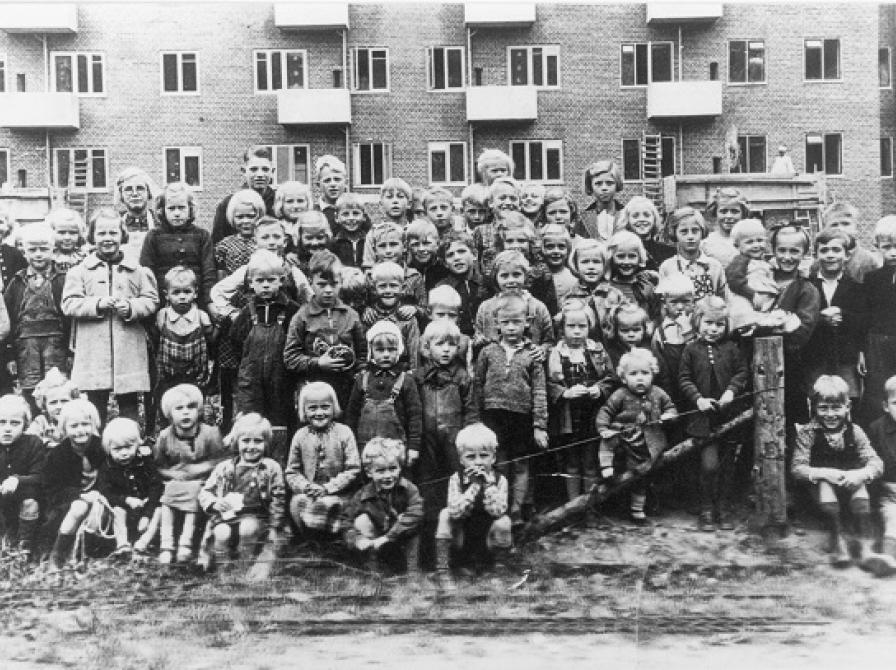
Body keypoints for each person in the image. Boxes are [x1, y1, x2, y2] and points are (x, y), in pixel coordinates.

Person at [62, 208, 159, 425]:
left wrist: (131, 308)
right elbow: (69, 303)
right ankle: (96, 442)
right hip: (94, 350)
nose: (108, 238)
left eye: (113, 233)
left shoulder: (137, 270)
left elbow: (151, 299)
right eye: (102, 233)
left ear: (122, 235)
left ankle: (129, 440)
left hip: (128, 349)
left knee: (129, 403)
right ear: (92, 236)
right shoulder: (79, 271)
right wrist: (97, 304)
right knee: (95, 404)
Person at [792, 376, 883, 567]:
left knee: (860, 482)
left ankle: (864, 544)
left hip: (848, 490)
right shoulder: (808, 433)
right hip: (820, 496)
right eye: (823, 408)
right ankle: (837, 538)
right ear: (813, 407)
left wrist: (860, 474)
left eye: (836, 408)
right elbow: (797, 468)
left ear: (847, 407)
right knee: (825, 483)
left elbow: (876, 463)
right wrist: (824, 473)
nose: (830, 414)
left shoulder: (855, 431)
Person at [475, 293, 549, 525]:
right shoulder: (488, 352)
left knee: (521, 463)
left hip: (521, 417)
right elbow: (477, 384)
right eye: (505, 322)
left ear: (527, 322)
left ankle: (517, 509)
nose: (510, 327)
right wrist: (475, 419)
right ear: (497, 323)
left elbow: (539, 391)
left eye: (516, 322)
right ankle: (501, 508)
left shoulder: (532, 355)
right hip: (493, 416)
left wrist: (539, 426)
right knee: (499, 462)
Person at [678, 296, 749, 531]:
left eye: (719, 324)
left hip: (728, 416)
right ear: (697, 322)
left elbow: (742, 373)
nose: (713, 329)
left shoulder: (732, 348)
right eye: (708, 323)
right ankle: (706, 508)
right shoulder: (690, 350)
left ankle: (723, 508)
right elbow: (684, 378)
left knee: (728, 466)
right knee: (709, 465)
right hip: (703, 418)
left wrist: (730, 392)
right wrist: (698, 399)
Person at [413, 319, 475, 563]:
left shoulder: (462, 377)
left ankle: (459, 547)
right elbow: (412, 410)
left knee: (456, 484)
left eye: (452, 345)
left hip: (454, 441)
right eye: (440, 344)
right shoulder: (418, 377)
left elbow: (471, 411)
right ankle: (429, 546)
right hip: (426, 440)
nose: (447, 350)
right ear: (427, 347)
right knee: (428, 485)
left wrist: (468, 439)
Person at [547, 299, 617, 504]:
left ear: (589, 326)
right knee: (571, 462)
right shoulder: (555, 353)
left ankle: (589, 507)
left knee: (590, 461)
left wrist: (599, 389)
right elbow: (546, 384)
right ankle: (573, 506)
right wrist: (565, 393)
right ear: (562, 328)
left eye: (582, 326)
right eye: (571, 326)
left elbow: (611, 378)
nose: (577, 331)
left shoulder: (597, 350)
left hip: (592, 415)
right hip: (568, 418)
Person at [597, 348, 678, 523]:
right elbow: (606, 411)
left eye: (645, 373)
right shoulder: (620, 394)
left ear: (653, 374)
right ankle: (606, 467)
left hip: (646, 441)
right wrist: (603, 428)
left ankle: (637, 510)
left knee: (641, 475)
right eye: (633, 374)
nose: (640, 378)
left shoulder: (658, 393)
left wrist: (668, 415)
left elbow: (671, 408)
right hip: (624, 435)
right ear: (624, 378)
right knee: (608, 439)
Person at [199, 413, 286, 571]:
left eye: (258, 441)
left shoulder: (271, 467)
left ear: (266, 443)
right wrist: (215, 503)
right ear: (236, 442)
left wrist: (275, 525)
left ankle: (243, 564)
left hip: (258, 519)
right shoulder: (224, 467)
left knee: (247, 527)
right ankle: (222, 568)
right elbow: (205, 491)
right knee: (221, 532)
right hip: (227, 518)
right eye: (245, 440)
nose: (251, 446)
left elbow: (278, 498)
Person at [284, 250, 366, 411]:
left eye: (334, 284)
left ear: (341, 282)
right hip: (314, 390)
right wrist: (318, 363)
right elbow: (290, 358)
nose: (328, 290)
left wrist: (360, 378)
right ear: (311, 282)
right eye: (321, 284)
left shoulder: (351, 315)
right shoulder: (301, 317)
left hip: (347, 389)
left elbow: (362, 354)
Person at [154, 384, 224, 565]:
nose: (186, 412)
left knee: (194, 492)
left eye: (191, 407)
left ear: (198, 411)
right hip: (176, 483)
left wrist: (200, 468)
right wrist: (172, 474)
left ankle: (186, 543)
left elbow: (221, 461)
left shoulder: (210, 433)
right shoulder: (165, 436)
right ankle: (167, 545)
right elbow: (158, 466)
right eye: (179, 408)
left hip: (204, 482)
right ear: (169, 414)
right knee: (167, 496)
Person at [230, 250, 300, 429]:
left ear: (281, 281)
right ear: (251, 283)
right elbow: (236, 340)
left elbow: (298, 342)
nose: (266, 285)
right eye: (260, 281)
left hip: (282, 377)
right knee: (251, 420)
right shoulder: (247, 312)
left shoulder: (292, 310)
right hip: (251, 378)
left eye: (271, 280)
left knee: (281, 421)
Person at [5, 222, 68, 416]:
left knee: (56, 387)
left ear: (53, 251)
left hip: (56, 344)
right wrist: (10, 354)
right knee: (30, 388)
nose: (38, 254)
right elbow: (9, 319)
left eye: (43, 249)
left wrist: (70, 350)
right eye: (32, 250)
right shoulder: (17, 282)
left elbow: (69, 319)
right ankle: (34, 426)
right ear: (24, 252)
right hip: (25, 346)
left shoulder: (62, 279)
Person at [435, 423, 511, 584]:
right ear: (461, 460)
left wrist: (488, 485)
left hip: (487, 538)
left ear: (493, 457)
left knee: (504, 521)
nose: (478, 462)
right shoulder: (456, 479)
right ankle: (443, 571)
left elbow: (498, 511)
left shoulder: (500, 480)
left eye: (484, 455)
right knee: (445, 514)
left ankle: (499, 570)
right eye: (470, 457)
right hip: (463, 537)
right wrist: (474, 487)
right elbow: (455, 512)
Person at [285, 382, 360, 538]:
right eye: (312, 408)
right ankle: (309, 541)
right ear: (304, 410)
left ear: (334, 407)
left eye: (325, 407)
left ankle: (332, 542)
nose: (319, 413)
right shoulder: (300, 435)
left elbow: (353, 469)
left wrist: (328, 488)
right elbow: (292, 472)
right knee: (298, 502)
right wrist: (306, 486)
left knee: (327, 505)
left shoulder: (344, 433)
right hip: (310, 492)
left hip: (338, 492)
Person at [345, 320, 422, 465]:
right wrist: (351, 446)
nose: (386, 354)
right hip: (365, 449)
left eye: (391, 349)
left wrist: (414, 447)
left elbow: (415, 417)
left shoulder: (406, 380)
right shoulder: (362, 379)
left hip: (397, 448)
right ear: (371, 351)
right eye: (380, 350)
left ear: (399, 350)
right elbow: (351, 415)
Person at [342, 436, 423, 574]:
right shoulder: (362, 495)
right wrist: (357, 539)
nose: (388, 476)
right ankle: (374, 569)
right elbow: (345, 521)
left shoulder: (409, 489)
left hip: (401, 536)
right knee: (361, 521)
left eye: (393, 468)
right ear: (369, 472)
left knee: (409, 521)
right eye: (380, 471)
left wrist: (388, 537)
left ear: (400, 467)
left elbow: (416, 512)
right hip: (377, 538)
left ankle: (412, 571)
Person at [805, 229, 867, 403]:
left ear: (846, 255)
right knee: (817, 399)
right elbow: (800, 319)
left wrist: (843, 315)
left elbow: (864, 320)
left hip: (846, 357)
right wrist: (820, 319)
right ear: (816, 255)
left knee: (847, 399)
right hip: (815, 356)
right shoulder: (807, 286)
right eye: (824, 250)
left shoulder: (857, 287)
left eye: (836, 250)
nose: (830, 255)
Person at [769, 225, 820, 427]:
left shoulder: (806, 289)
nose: (787, 257)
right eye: (782, 250)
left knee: (789, 416)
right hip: (755, 361)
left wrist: (766, 327)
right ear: (773, 250)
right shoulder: (762, 279)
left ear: (804, 253)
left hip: (790, 365)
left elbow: (802, 332)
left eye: (794, 251)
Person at [43, 398, 105, 567]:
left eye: (85, 424)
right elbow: (52, 489)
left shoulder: (102, 448)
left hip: (101, 499)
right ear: (64, 428)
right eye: (74, 426)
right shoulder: (57, 455)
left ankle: (88, 553)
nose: (80, 430)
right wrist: (81, 495)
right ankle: (57, 553)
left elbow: (111, 477)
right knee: (79, 506)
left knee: (97, 508)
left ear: (94, 425)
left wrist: (98, 494)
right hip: (67, 505)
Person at [140, 181, 216, 312]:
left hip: (196, 303)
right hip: (163, 303)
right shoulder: (154, 236)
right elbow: (147, 272)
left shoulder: (202, 236)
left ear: (190, 209)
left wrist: (209, 301)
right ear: (162, 210)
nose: (176, 213)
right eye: (171, 208)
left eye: (181, 208)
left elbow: (209, 272)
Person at [153, 267, 216, 420]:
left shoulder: (201, 316)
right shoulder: (163, 315)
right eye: (176, 292)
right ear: (166, 295)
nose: (182, 297)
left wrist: (218, 327)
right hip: (169, 374)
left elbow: (211, 339)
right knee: (168, 403)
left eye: (187, 292)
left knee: (194, 404)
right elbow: (157, 337)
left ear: (195, 293)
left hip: (194, 374)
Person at [97, 418, 163, 557]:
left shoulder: (145, 462)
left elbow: (156, 486)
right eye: (117, 449)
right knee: (118, 511)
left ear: (137, 444)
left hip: (146, 506)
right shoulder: (108, 467)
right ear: (108, 449)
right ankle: (122, 544)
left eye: (128, 447)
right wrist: (126, 500)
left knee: (159, 511)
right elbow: (105, 491)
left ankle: (143, 542)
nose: (124, 453)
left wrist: (147, 514)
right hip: (124, 507)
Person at [474, 250, 555, 357]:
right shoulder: (486, 308)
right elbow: (477, 338)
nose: (511, 280)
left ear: (526, 276)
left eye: (516, 275)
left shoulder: (538, 307)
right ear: (495, 277)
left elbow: (549, 341)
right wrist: (479, 341)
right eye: (504, 276)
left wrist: (542, 349)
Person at [861, 216, 896, 426]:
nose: (893, 252)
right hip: (878, 344)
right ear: (877, 247)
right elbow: (866, 316)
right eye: (887, 247)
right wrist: (862, 350)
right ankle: (879, 437)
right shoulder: (872, 278)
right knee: (877, 392)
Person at [0, 395, 44, 557]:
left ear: (25, 424)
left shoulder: (33, 443)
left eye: (15, 423)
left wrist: (17, 480)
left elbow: (40, 476)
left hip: (26, 496)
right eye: (1, 422)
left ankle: (25, 546)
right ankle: (5, 540)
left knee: (30, 502)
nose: (7, 428)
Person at [494, 212, 558, 317]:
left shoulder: (541, 271)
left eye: (521, 240)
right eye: (509, 241)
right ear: (501, 243)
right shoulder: (494, 267)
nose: (515, 246)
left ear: (530, 242)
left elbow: (550, 307)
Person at [212, 146, 277, 245]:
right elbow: (217, 242)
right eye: (253, 169)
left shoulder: (279, 202)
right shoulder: (228, 204)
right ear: (244, 171)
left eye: (265, 169)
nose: (260, 174)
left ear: (272, 172)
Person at [659, 208, 727, 301]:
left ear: (702, 232)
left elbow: (724, 300)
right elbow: (664, 301)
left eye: (695, 231)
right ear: (675, 234)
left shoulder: (714, 267)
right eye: (684, 231)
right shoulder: (667, 267)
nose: (690, 236)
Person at [362, 261, 422, 367]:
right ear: (374, 289)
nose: (388, 291)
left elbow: (414, 355)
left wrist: (413, 374)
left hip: (402, 372)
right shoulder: (370, 316)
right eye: (382, 286)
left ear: (402, 288)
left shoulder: (407, 318)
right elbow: (363, 352)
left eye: (393, 286)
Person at [651, 273, 696, 409]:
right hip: (672, 387)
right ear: (665, 304)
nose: (680, 307)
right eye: (674, 302)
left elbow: (699, 356)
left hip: (696, 386)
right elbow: (660, 367)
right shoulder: (660, 332)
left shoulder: (699, 326)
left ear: (693, 302)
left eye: (686, 301)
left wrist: (688, 330)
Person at [566, 239, 625, 338]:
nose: (591, 267)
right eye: (585, 262)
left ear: (604, 265)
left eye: (596, 262)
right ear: (576, 265)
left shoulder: (614, 294)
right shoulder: (570, 297)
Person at [867, 375, 896, 574]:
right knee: (893, 517)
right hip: (890, 494)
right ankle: (888, 557)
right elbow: (870, 465)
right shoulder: (876, 429)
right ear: (886, 406)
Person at [815, 202, 882, 284]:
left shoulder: (869, 262)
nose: (840, 229)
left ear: (856, 227)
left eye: (846, 224)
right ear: (826, 229)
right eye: (834, 225)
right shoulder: (819, 262)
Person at [436, 231, 485, 338]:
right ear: (445, 263)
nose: (457, 258)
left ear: (474, 255)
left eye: (461, 251)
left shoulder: (486, 283)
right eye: (450, 255)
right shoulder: (442, 288)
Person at [607, 231, 662, 323]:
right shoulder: (606, 288)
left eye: (632, 256)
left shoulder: (646, 287)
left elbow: (655, 316)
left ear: (640, 257)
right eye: (620, 256)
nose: (626, 262)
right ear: (611, 257)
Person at [475, 177, 520, 278]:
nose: (508, 203)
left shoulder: (526, 230)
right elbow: (475, 266)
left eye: (513, 198)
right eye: (502, 198)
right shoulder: (481, 231)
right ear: (491, 202)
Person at [27, 368, 80, 449]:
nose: (59, 406)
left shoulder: (78, 420)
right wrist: (46, 442)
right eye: (53, 402)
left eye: (64, 401)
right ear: (45, 405)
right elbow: (29, 439)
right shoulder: (42, 422)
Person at [619, 196, 674, 272]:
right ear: (627, 221)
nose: (641, 219)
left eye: (647, 215)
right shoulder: (620, 251)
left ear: (654, 219)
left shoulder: (669, 252)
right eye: (635, 216)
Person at [576, 160, 625, 242]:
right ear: (590, 186)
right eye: (598, 183)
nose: (604, 188)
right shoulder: (582, 220)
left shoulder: (626, 215)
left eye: (609, 183)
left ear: (617, 184)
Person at [115, 167, 157, 259]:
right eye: (128, 189)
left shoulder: (160, 222)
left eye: (140, 188)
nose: (134, 193)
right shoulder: (115, 223)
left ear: (148, 193)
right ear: (121, 195)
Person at [724, 218, 770, 302]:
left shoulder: (763, 260)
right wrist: (751, 294)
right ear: (737, 246)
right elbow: (734, 280)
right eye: (750, 242)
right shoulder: (740, 261)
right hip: (746, 301)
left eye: (760, 240)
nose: (756, 245)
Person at [702, 187, 749, 268]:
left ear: (743, 213)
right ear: (715, 213)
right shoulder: (706, 243)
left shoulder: (750, 240)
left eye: (734, 211)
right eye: (723, 211)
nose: (729, 216)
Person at [603, 303, 653, 373]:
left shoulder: (650, 351)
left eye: (636, 330)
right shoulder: (612, 354)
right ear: (615, 331)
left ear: (644, 329)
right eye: (625, 330)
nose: (631, 335)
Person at [539, 224, 577, 307]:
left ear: (568, 249)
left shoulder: (574, 278)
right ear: (542, 249)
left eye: (561, 247)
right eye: (550, 247)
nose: (556, 251)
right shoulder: (537, 277)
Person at [44, 207, 88, 273]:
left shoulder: (84, 258)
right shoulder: (47, 257)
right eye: (61, 232)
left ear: (79, 234)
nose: (67, 237)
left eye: (72, 233)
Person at [272, 180, 312, 253]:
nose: (295, 206)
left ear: (308, 203)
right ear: (281, 204)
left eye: (300, 201)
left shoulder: (315, 226)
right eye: (289, 201)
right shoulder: (274, 228)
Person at [313, 155, 349, 234]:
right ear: (318, 185)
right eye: (327, 180)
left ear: (346, 183)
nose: (333, 184)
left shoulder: (354, 210)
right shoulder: (312, 212)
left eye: (337, 179)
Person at [333, 192, 369, 269]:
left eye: (355, 213)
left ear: (364, 216)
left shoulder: (368, 241)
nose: (351, 218)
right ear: (336, 218)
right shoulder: (334, 243)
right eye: (345, 214)